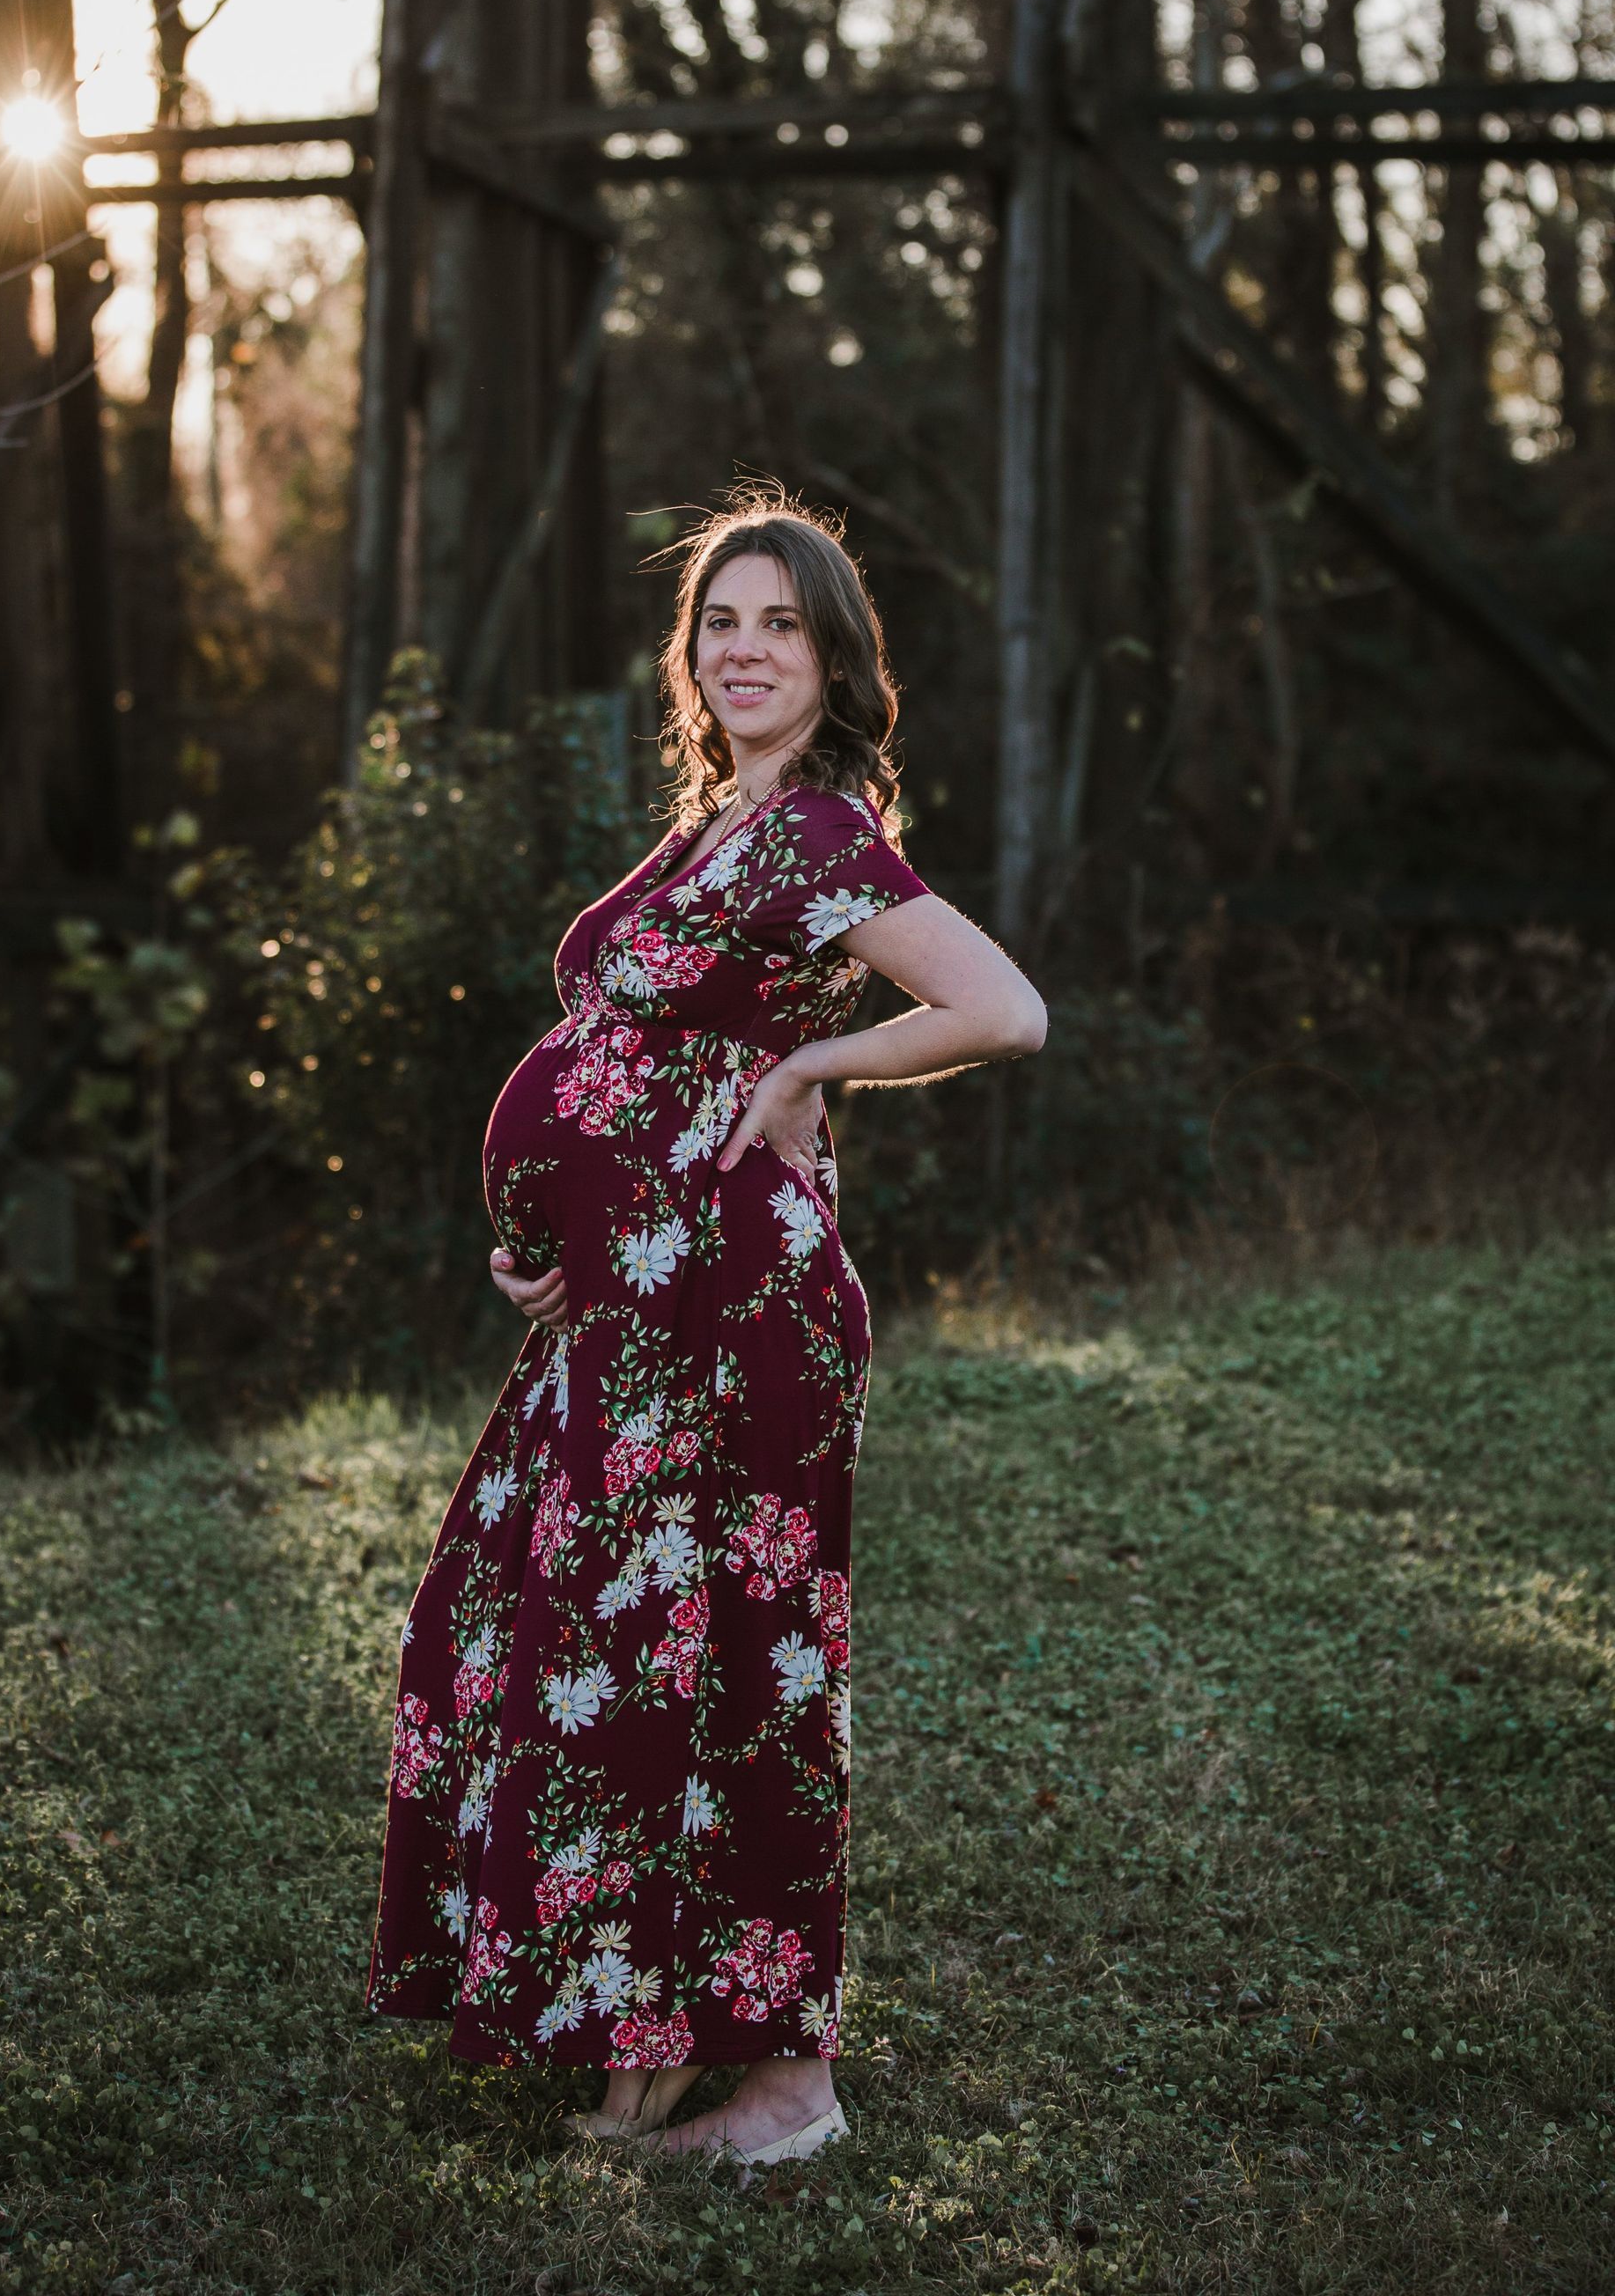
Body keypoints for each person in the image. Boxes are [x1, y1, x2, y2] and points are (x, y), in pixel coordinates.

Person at [365, 495, 1045, 2170]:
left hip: (740, 1323)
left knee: (720, 1672)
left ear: (833, 659)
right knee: (567, 1639)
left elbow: (1003, 1008)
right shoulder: (711, 830)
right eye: (720, 624)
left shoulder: (820, 835)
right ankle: (631, 2023)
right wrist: (557, 1247)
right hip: (636, 1312)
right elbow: (628, 1064)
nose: (746, 649)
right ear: (692, 657)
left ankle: (772, 2079)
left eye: (783, 626)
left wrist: (818, 1069)